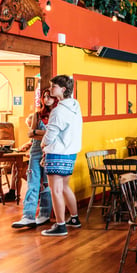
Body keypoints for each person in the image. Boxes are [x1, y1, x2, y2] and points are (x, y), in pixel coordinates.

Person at [40, 75, 83, 237]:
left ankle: (60, 225)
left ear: (63, 89)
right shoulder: (75, 106)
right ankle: (74, 218)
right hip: (70, 152)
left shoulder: (59, 111)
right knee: (65, 187)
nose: (51, 90)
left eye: (53, 87)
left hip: (57, 153)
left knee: (56, 190)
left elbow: (50, 135)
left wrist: (43, 144)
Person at [11, 89, 58, 229]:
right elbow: (31, 134)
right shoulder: (37, 115)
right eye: (44, 96)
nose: (46, 98)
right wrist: (44, 134)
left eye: (49, 96)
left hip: (51, 151)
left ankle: (44, 213)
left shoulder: (58, 115)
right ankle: (28, 216)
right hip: (37, 151)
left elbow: (56, 135)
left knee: (46, 184)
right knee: (32, 182)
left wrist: (39, 133)